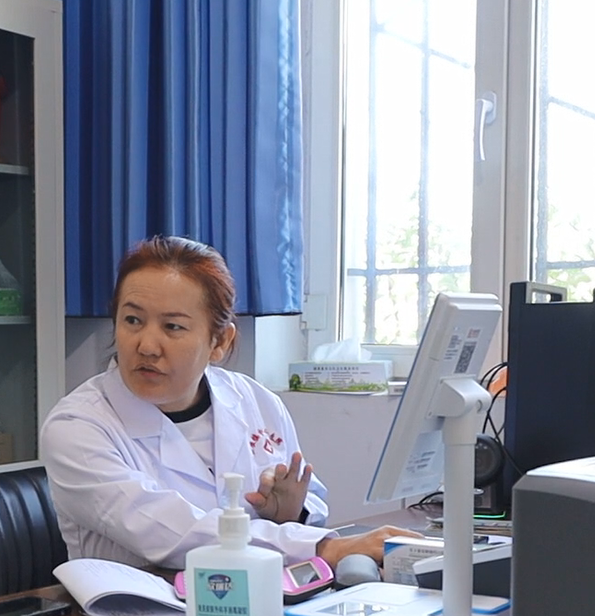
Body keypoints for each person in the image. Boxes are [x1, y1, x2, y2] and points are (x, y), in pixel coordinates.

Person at [41, 235, 419, 573]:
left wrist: (291, 512)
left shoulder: (254, 400)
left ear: (220, 342)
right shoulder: (78, 427)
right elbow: (176, 534)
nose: (147, 345)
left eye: (172, 327)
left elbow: (313, 502)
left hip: (252, 595)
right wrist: (322, 547)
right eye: (133, 320)